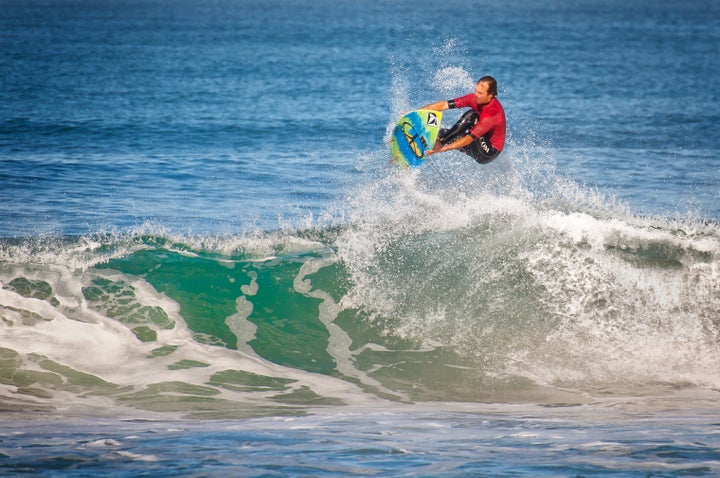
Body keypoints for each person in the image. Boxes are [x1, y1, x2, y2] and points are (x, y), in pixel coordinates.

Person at [421, 76, 506, 164]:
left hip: (487, 152)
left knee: (473, 115)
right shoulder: (475, 98)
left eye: (480, 93)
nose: (476, 95)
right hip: (475, 144)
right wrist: (418, 112)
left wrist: (443, 149)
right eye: (476, 91)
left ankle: (440, 143)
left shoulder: (493, 113)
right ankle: (421, 148)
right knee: (442, 133)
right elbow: (443, 105)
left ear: (490, 95)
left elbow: (469, 138)